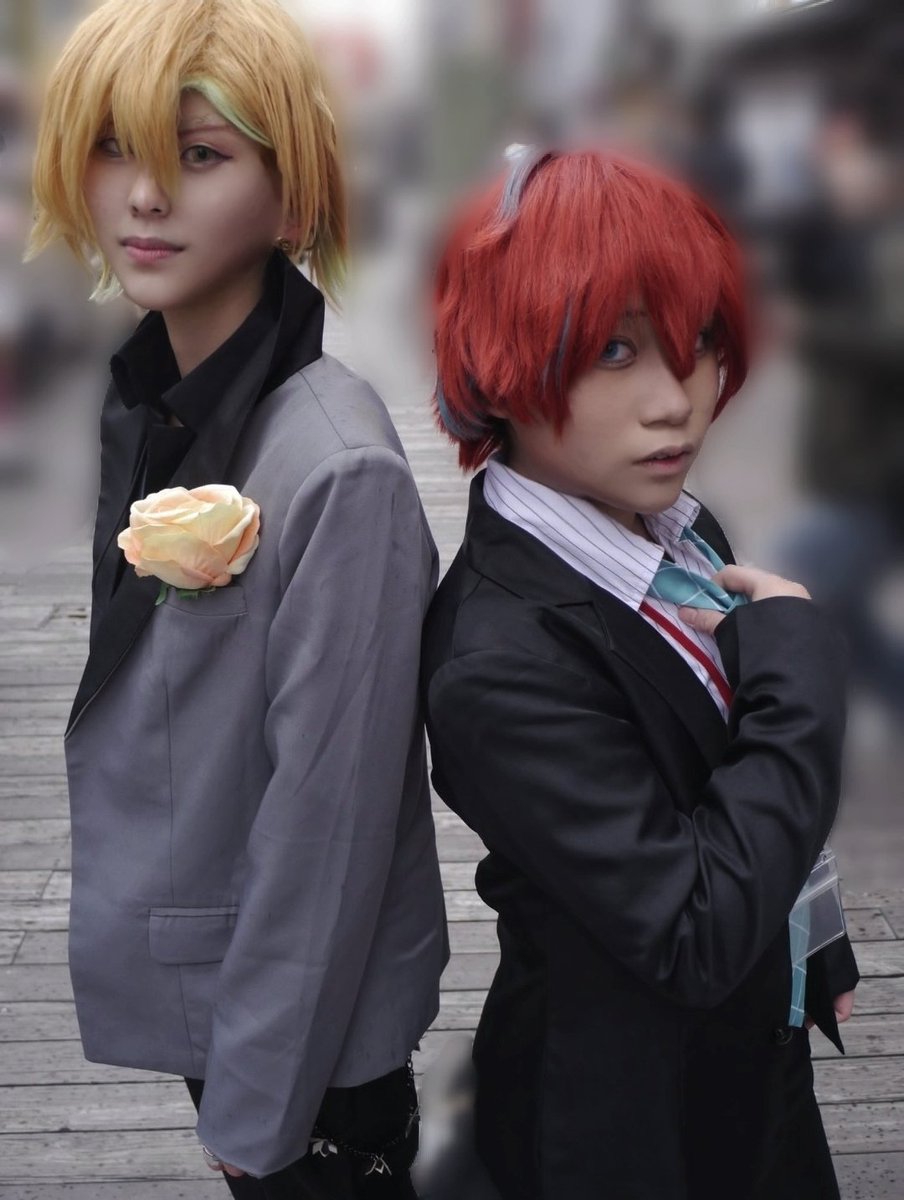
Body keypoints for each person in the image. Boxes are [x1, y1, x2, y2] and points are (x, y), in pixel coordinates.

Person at [27, 1, 447, 1195]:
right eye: (114, 147)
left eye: (200, 155)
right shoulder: (167, 398)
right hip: (227, 1004)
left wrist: (259, 1110)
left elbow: (329, 829)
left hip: (307, 1057)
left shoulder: (338, 466)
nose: (144, 195)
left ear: (293, 201)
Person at [421, 148, 859, 1200]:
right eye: (614, 349)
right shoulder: (498, 660)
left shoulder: (675, 526)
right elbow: (693, 929)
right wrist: (800, 666)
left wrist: (814, 935)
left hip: (750, 1065)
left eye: (697, 340)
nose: (677, 401)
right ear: (498, 357)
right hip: (625, 1121)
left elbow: (724, 764)